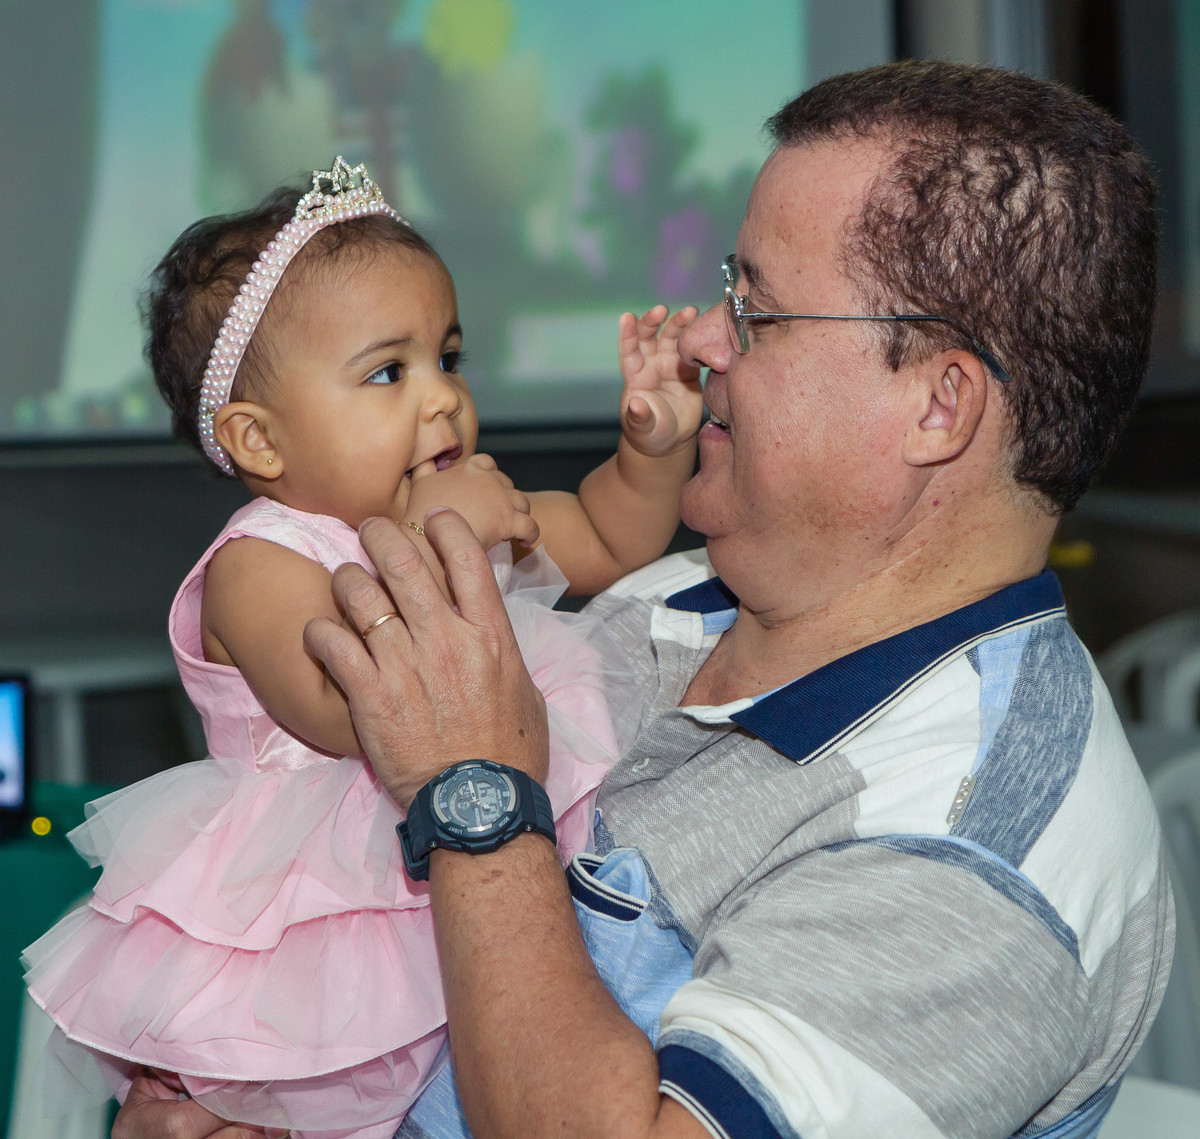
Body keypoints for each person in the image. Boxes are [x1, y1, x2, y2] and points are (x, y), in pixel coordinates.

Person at [116, 60, 1172, 1139]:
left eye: (757, 309)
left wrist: (476, 790)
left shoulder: (969, 852)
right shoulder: (680, 603)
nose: (708, 337)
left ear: (938, 403)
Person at [24, 158, 701, 1139]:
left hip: (493, 879)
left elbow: (607, 534)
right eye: (389, 371)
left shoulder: (451, 495)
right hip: (326, 910)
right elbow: (350, 705)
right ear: (260, 440)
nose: (442, 400)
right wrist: (447, 541)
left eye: (449, 357)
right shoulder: (260, 562)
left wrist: (653, 447)